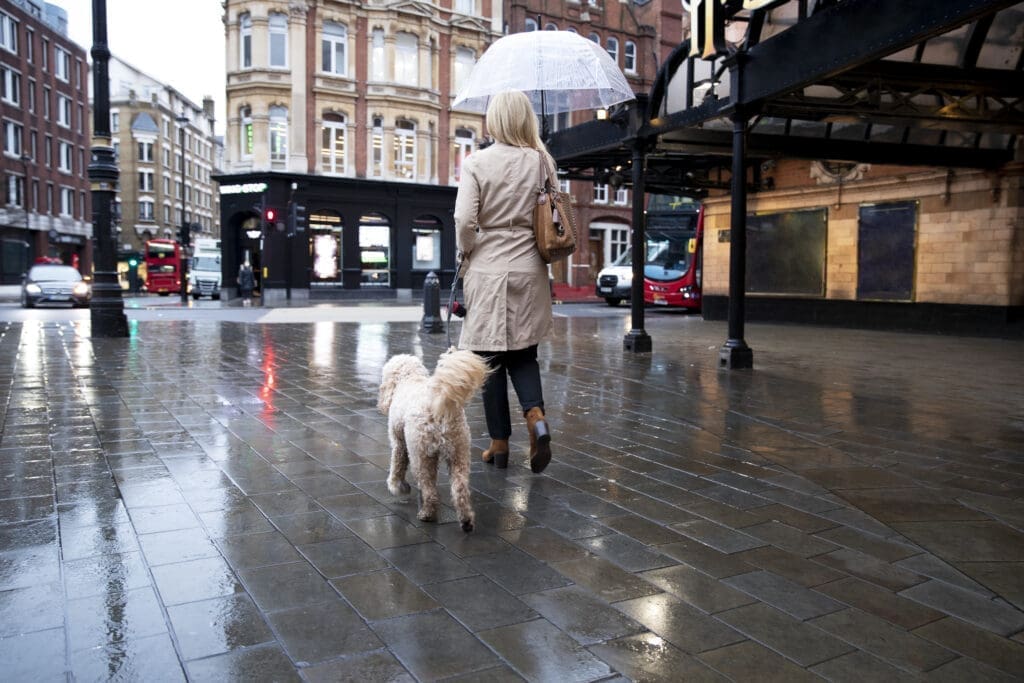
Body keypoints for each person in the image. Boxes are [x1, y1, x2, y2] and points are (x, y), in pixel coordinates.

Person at [454, 90, 554, 474]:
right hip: (530, 265)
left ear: (495, 120)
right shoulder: (542, 161)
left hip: (487, 267)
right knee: (524, 354)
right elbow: (554, 215)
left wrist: (468, 251)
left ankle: (499, 445)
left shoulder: (477, 162)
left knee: (487, 356)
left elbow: (465, 221)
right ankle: (537, 418)